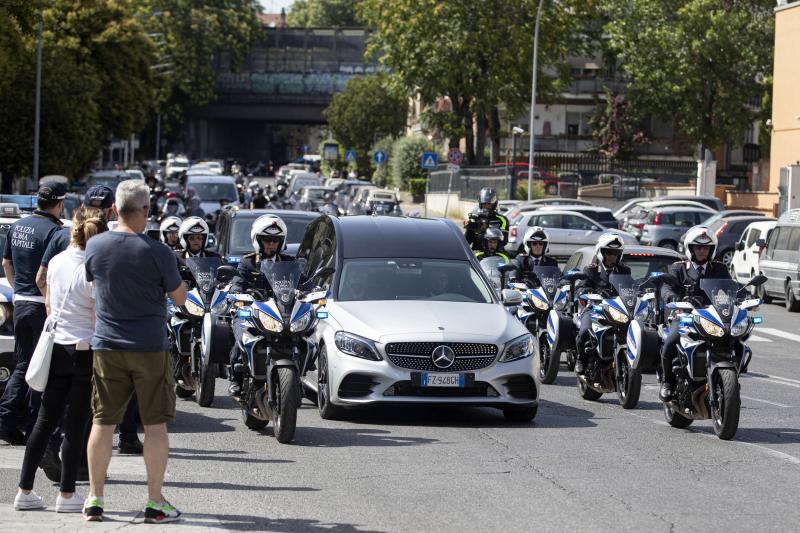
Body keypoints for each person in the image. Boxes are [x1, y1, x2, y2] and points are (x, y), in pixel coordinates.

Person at [83, 180, 187, 523]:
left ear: (114, 209)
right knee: (155, 426)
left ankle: (95, 498)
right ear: (146, 211)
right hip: (149, 348)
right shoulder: (159, 252)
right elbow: (179, 298)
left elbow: (94, 282)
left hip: (107, 346)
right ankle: (155, 502)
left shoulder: (96, 246)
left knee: (103, 422)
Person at [14, 209, 107, 512]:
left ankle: (24, 489)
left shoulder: (56, 262)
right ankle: (67, 493)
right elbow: (98, 314)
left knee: (44, 420)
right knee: (76, 423)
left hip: (56, 346)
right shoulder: (95, 269)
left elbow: (46, 291)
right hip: (84, 348)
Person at [0, 181, 65, 446]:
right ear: (60, 204)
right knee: (41, 368)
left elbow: (6, 263)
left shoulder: (17, 226)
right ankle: (25, 421)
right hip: (41, 305)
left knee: (24, 363)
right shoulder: (54, 232)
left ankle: (7, 419)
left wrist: (18, 291)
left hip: (21, 303)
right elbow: (51, 273)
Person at [659, 226, 731, 401]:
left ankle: (730, 380)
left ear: (711, 249)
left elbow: (732, 287)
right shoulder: (679, 268)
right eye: (698, 247)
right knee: (671, 341)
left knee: (735, 338)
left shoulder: (720, 269)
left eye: (705, 247)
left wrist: (747, 296)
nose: (701, 251)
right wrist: (671, 297)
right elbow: (667, 287)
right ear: (690, 248)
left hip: (713, 318)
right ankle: (667, 382)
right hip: (685, 317)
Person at [228, 215, 293, 397]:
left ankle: (297, 377)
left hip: (281, 314)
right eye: (267, 240)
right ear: (258, 240)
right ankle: (237, 376)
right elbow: (238, 281)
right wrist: (236, 292)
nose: (271, 244)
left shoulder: (289, 262)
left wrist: (315, 290)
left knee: (304, 336)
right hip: (252, 312)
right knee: (242, 336)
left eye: (275, 240)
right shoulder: (247, 262)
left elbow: (303, 282)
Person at [36, 185, 116, 298]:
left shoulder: (60, 236)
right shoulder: (115, 244)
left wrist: (51, 305)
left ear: (82, 207)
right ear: (111, 212)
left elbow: (40, 280)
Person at [574, 234, 631, 375]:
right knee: (584, 330)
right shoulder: (591, 270)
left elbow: (630, 288)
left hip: (617, 310)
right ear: (601, 253)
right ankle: (581, 358)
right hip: (594, 309)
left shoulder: (624, 270)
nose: (612, 257)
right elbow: (581, 286)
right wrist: (584, 290)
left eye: (616, 253)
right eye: (608, 253)